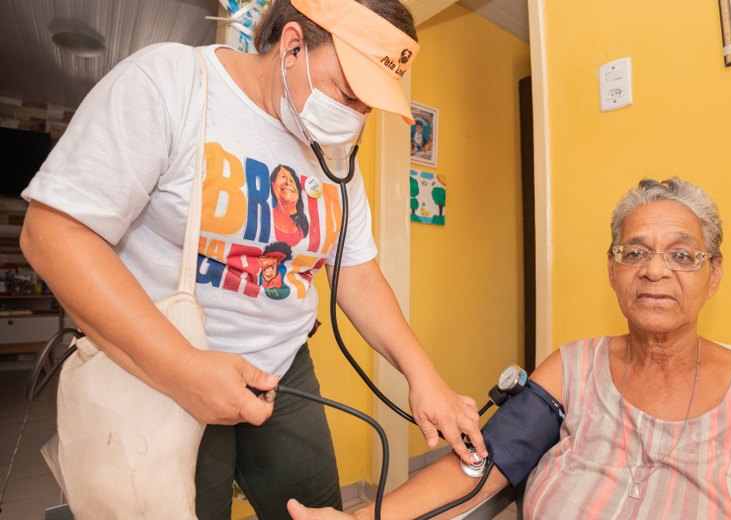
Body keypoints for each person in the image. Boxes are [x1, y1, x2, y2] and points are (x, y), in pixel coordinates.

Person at [19, 0, 485, 518]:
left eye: (368, 106)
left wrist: (424, 376)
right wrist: (183, 370)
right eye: (349, 94)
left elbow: (355, 271)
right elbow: (53, 233)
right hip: (162, 361)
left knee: (318, 510)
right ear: (292, 46)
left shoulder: (336, 160)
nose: (354, 119)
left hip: (284, 368)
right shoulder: (169, 84)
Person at [288, 178, 731, 519]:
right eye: (635, 252)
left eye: (682, 255)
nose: (654, 270)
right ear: (612, 268)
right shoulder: (573, 367)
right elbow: (485, 463)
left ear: (713, 275)